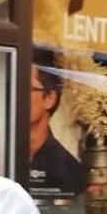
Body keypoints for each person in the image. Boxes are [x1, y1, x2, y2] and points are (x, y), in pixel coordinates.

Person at [26, 47, 84, 195]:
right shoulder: (0, 154)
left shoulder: (69, 170)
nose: (15, 95)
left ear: (49, 98)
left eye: (25, 88)